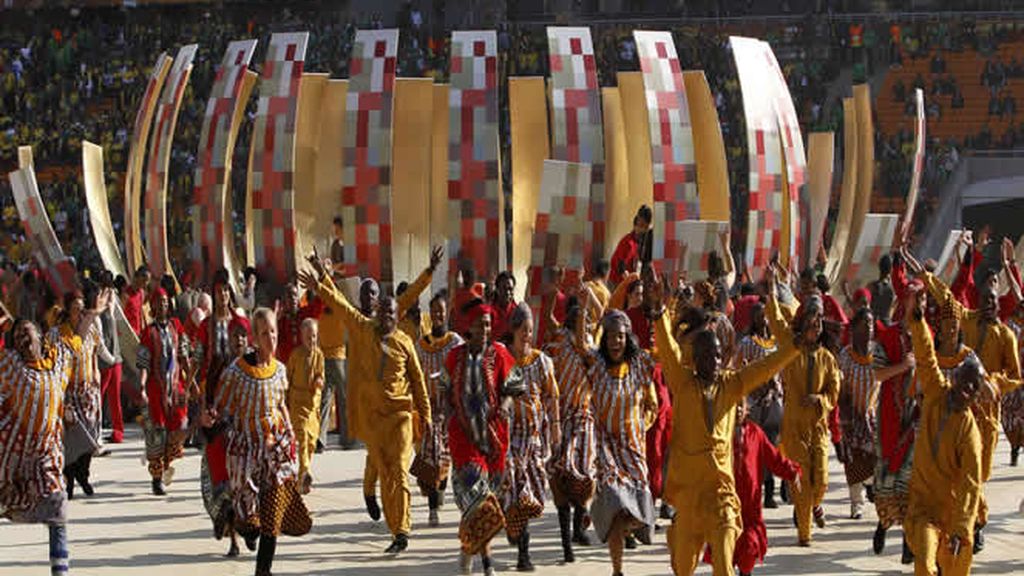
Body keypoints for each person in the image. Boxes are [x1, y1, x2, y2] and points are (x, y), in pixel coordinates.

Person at [652, 270, 801, 576]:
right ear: (695, 359)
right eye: (709, 356)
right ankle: (678, 537)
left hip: (721, 495)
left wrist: (795, 347)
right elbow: (667, 349)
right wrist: (658, 314)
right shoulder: (683, 383)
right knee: (683, 568)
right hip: (688, 496)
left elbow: (766, 366)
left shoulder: (731, 385)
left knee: (723, 563)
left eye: (719, 355)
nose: (715, 361)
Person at [300, 254, 431, 555]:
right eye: (380, 309)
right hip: (370, 413)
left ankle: (402, 530)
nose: (385, 315)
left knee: (398, 469)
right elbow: (340, 303)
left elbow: (419, 380)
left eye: (389, 312)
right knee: (381, 468)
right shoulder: (361, 327)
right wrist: (321, 279)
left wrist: (426, 414)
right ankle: (376, 501)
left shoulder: (404, 341)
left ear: (395, 316)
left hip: (399, 416)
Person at [912, 250, 1021, 551]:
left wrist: (993, 384)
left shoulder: (1006, 336)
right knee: (961, 471)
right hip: (955, 411)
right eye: (984, 299)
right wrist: (925, 276)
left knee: (979, 475)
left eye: (993, 301)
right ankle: (968, 524)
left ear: (999, 305)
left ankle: (977, 518)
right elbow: (946, 297)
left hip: (986, 414)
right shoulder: (966, 322)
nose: (988, 304)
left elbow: (1015, 374)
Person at [208, 308, 312, 576]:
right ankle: (238, 521)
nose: (271, 338)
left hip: (274, 453)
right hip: (246, 454)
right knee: (251, 523)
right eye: (265, 333)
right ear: (255, 337)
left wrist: (289, 433)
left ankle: (263, 571)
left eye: (274, 332)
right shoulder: (237, 371)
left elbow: (280, 404)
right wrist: (209, 418)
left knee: (273, 517)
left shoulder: (280, 370)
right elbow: (220, 406)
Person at [903, 286, 987, 576]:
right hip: (924, 510)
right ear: (956, 378)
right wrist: (917, 318)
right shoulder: (937, 392)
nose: (969, 389)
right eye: (966, 381)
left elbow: (970, 483)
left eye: (975, 388)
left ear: (977, 396)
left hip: (953, 517)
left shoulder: (969, 432)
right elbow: (926, 355)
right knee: (925, 566)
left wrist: (962, 529)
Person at [764, 272, 841, 546]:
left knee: (820, 481)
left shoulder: (828, 359)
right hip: (794, 429)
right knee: (801, 482)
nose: (817, 325)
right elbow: (775, 320)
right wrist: (771, 292)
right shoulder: (790, 348)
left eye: (820, 319)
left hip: (818, 428)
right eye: (813, 318)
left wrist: (820, 401)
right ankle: (804, 534)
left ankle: (816, 505)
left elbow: (834, 392)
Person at [584, 309, 658, 576]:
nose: (616, 342)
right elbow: (579, 343)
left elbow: (652, 405)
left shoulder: (640, 364)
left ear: (628, 339)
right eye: (611, 337)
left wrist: (641, 426)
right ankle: (618, 571)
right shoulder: (595, 363)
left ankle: (627, 525)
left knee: (634, 510)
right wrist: (584, 307)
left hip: (633, 447)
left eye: (621, 337)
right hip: (605, 447)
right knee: (615, 502)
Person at [445, 298, 516, 575]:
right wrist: (446, 414)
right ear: (469, 327)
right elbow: (444, 389)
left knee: (488, 506)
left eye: (488, 324)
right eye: (480, 324)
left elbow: (513, 387)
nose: (485, 329)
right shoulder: (455, 356)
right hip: (463, 440)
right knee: (478, 502)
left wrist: (505, 409)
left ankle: (468, 551)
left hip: (493, 439)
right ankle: (486, 564)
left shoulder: (500, 354)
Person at [0, 319, 73, 575]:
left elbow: (76, 336)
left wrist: (89, 314)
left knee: (58, 505)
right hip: (11, 455)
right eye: (17, 335)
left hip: (46, 454)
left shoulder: (59, 362)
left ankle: (60, 571)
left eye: (25, 332)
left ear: (40, 335)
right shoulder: (11, 365)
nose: (21, 338)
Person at [703, 401, 802, 576]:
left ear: (747, 409)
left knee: (749, 548)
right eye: (734, 406)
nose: (739, 410)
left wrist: (792, 472)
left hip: (750, 506)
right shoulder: (717, 433)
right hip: (724, 503)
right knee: (724, 550)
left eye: (742, 406)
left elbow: (774, 458)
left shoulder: (755, 433)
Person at [836, 307, 913, 520]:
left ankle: (871, 486)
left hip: (874, 416)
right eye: (864, 324)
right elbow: (841, 388)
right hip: (851, 418)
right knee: (853, 463)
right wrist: (842, 416)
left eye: (871, 323)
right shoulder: (845, 356)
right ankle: (856, 504)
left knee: (875, 461)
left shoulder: (878, 351)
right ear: (854, 329)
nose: (869, 328)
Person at [500, 303, 560, 571]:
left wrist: (556, 427)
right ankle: (523, 552)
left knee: (533, 493)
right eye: (524, 330)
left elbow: (552, 396)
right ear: (513, 330)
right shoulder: (502, 359)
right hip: (510, 438)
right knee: (516, 489)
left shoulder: (541, 361)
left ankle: (516, 528)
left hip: (535, 439)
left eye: (531, 330)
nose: (528, 335)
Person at [543, 297, 596, 563]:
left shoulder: (591, 350)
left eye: (585, 324)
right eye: (580, 323)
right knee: (560, 477)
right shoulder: (557, 344)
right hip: (559, 419)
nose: (582, 329)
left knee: (583, 475)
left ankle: (577, 526)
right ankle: (567, 544)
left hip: (584, 420)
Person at [198, 314, 250, 558]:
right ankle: (234, 540)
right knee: (228, 492)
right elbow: (208, 398)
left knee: (252, 489)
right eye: (234, 336)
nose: (239, 339)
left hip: (251, 436)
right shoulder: (220, 364)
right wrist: (208, 418)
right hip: (224, 436)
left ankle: (250, 529)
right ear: (228, 339)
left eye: (242, 335)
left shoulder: (257, 364)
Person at [412, 291, 464, 527]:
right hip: (430, 408)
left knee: (446, 458)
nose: (438, 315)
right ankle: (433, 508)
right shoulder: (421, 345)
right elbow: (415, 375)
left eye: (441, 311)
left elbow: (463, 370)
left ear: (447, 313)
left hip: (450, 408)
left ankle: (441, 487)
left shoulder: (455, 343)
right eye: (434, 312)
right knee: (430, 456)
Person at [48, 289, 106, 500]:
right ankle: (69, 479)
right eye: (74, 310)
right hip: (68, 393)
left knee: (89, 438)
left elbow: (94, 353)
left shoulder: (90, 331)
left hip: (87, 390)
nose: (78, 314)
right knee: (70, 440)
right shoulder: (57, 334)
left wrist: (96, 372)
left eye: (81, 310)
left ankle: (84, 475)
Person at [136, 287, 191, 496]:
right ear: (153, 306)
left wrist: (190, 383)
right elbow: (143, 362)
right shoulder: (148, 333)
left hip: (175, 387)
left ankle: (167, 463)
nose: (164, 305)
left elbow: (184, 356)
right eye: (159, 302)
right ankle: (156, 477)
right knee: (156, 435)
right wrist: (142, 387)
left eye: (166, 301)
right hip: (155, 389)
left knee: (179, 426)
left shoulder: (176, 327)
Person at [735, 301, 785, 508]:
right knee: (756, 446)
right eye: (758, 315)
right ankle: (762, 490)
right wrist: (755, 389)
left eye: (765, 314)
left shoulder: (776, 343)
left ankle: (773, 487)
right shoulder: (747, 343)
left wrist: (774, 389)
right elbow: (740, 370)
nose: (762, 318)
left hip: (773, 400)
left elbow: (781, 369)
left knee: (773, 445)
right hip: (754, 402)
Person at [286, 318, 325, 494]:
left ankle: (303, 473)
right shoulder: (296, 355)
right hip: (298, 402)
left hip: (312, 404)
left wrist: (319, 380)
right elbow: (287, 378)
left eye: (315, 336)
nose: (312, 340)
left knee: (310, 443)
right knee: (301, 439)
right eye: (309, 337)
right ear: (302, 337)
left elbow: (320, 374)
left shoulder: (319, 355)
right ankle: (304, 473)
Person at [97, 270, 125, 444]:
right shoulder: (110, 300)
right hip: (113, 357)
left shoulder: (104, 302)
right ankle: (117, 432)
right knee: (112, 399)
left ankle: (114, 431)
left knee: (101, 397)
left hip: (108, 359)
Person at [609, 205, 652, 285]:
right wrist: (630, 281)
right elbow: (621, 265)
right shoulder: (628, 242)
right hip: (617, 282)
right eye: (640, 226)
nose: (642, 230)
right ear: (635, 225)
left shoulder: (642, 243)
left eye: (645, 227)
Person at [122, 265, 151, 334]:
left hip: (138, 333)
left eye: (147, 281)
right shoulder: (126, 294)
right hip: (128, 333)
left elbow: (140, 313)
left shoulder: (141, 293)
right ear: (137, 276)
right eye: (144, 279)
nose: (145, 283)